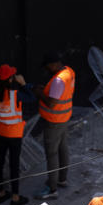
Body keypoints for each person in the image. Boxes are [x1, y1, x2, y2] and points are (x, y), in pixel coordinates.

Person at [33, 53, 77, 196]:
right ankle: (62, 179)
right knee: (63, 149)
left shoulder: (58, 80)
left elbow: (51, 103)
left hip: (54, 120)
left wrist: (38, 92)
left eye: (47, 67)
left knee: (52, 154)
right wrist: (45, 89)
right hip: (64, 117)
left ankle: (52, 189)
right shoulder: (69, 71)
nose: (47, 70)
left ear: (53, 64)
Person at [0, 64, 29, 205]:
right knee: (14, 165)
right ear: (11, 79)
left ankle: (1, 193)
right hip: (14, 135)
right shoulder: (14, 95)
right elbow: (31, 98)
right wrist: (23, 84)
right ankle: (15, 197)